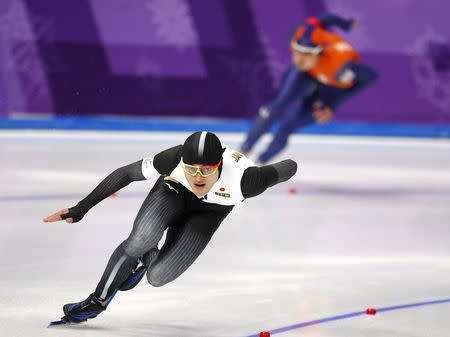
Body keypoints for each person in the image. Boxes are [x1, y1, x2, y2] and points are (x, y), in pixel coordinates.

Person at [44, 131, 297, 324]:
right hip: (172, 194)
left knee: (157, 277)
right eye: (191, 168)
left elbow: (288, 167)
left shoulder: (248, 180)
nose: (198, 176)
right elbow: (125, 174)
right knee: (140, 240)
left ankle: (145, 259)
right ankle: (97, 300)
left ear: (219, 164)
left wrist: (286, 168)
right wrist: (81, 208)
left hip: (209, 214)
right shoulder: (174, 158)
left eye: (206, 169)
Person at [240, 14, 379, 163]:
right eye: (296, 51)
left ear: (320, 53)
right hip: (308, 73)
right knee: (275, 107)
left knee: (289, 124)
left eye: (306, 54)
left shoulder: (341, 65)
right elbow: (323, 19)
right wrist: (345, 24)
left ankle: (260, 161)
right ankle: (243, 151)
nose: (298, 59)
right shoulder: (300, 34)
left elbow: (371, 76)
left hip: (329, 85)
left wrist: (332, 105)